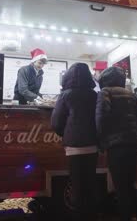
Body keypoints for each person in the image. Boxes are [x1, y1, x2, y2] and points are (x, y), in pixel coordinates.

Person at [95, 66, 137, 221]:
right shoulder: (130, 94)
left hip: (116, 145)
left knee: (120, 186)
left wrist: (101, 140)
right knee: (130, 183)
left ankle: (126, 217)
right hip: (132, 144)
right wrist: (134, 133)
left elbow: (101, 118)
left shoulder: (105, 93)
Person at [51, 62, 99, 221]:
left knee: (77, 185)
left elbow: (56, 122)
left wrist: (65, 134)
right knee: (91, 184)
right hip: (93, 145)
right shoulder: (94, 95)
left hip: (74, 146)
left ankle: (78, 216)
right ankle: (92, 216)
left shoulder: (66, 94)